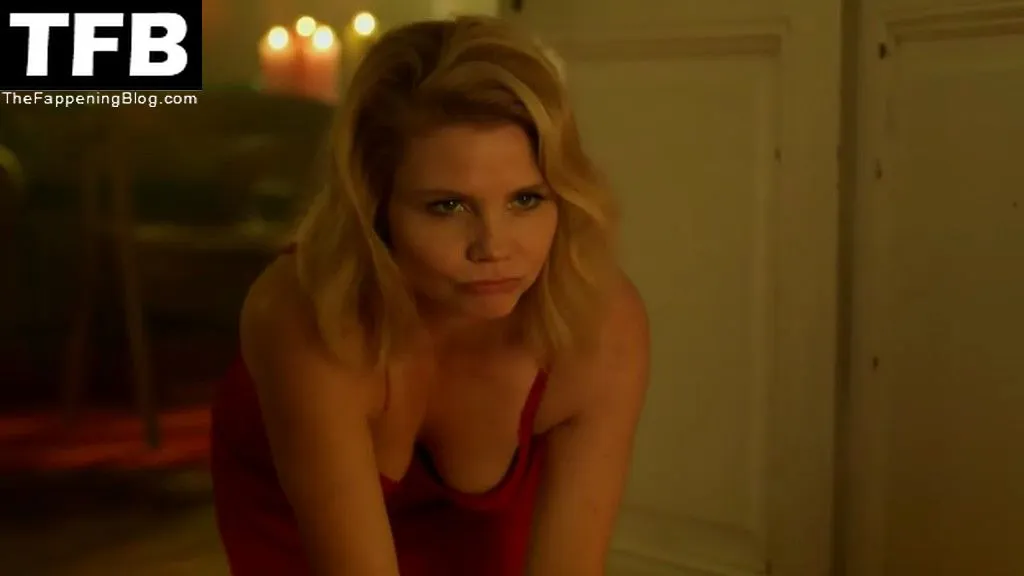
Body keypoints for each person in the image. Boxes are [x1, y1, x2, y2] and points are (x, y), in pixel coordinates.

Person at [210, 15, 650, 576]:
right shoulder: (304, 314)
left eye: (526, 200)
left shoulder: (600, 321)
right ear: (376, 206)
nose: (493, 247)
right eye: (448, 206)